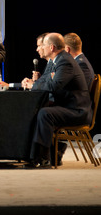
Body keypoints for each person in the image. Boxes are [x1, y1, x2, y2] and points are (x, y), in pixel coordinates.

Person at [28, 33, 92, 168]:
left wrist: (34, 85)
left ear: (51, 47)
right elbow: (45, 81)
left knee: (45, 114)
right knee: (36, 111)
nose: (40, 48)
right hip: (69, 106)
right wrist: (36, 84)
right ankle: (32, 155)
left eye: (43, 45)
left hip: (77, 110)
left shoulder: (65, 61)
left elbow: (53, 86)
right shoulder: (57, 60)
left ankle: (44, 159)